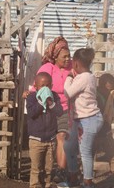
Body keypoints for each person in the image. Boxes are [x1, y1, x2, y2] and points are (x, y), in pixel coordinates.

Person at [24, 36, 72, 183]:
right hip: (49, 109)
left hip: (63, 108)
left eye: (69, 56)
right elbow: (37, 87)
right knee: (52, 140)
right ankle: (42, 177)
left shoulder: (71, 69)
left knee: (62, 136)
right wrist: (28, 93)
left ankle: (61, 172)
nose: (67, 59)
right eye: (64, 56)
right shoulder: (47, 68)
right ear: (55, 56)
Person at [61, 48, 103, 188]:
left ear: (76, 63)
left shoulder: (84, 77)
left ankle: (87, 183)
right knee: (68, 146)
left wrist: (68, 77)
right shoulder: (87, 76)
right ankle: (73, 177)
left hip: (89, 119)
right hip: (81, 119)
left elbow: (68, 92)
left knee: (85, 151)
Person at [26, 72, 63, 188]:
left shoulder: (54, 97)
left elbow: (59, 112)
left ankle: (47, 184)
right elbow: (32, 113)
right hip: (36, 140)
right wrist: (41, 102)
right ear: (36, 87)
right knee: (36, 168)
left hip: (51, 139)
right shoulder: (31, 98)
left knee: (49, 168)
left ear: (51, 86)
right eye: (42, 86)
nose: (45, 89)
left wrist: (50, 103)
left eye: (48, 86)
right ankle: (35, 185)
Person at [95, 73, 114, 178]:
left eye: (112, 90)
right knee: (91, 152)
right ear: (102, 86)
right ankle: (88, 173)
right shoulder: (96, 95)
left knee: (112, 152)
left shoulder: (110, 96)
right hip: (95, 129)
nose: (110, 92)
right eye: (108, 89)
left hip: (106, 129)